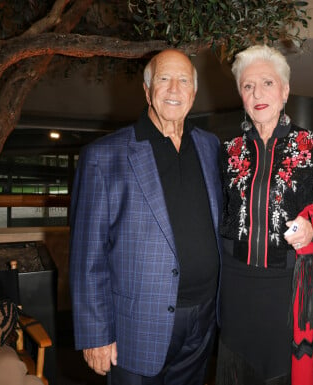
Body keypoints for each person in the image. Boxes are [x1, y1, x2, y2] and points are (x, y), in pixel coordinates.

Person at [69, 49, 222, 385]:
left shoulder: (210, 147)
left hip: (203, 319)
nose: (173, 89)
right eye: (164, 79)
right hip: (137, 327)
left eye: (183, 81)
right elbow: (86, 255)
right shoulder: (104, 156)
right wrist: (95, 333)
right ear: (147, 89)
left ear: (194, 93)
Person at [216, 45, 313, 385]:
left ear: (285, 90)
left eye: (267, 83)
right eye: (248, 86)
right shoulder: (228, 150)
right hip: (237, 287)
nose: (258, 94)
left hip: (289, 287)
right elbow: (224, 215)